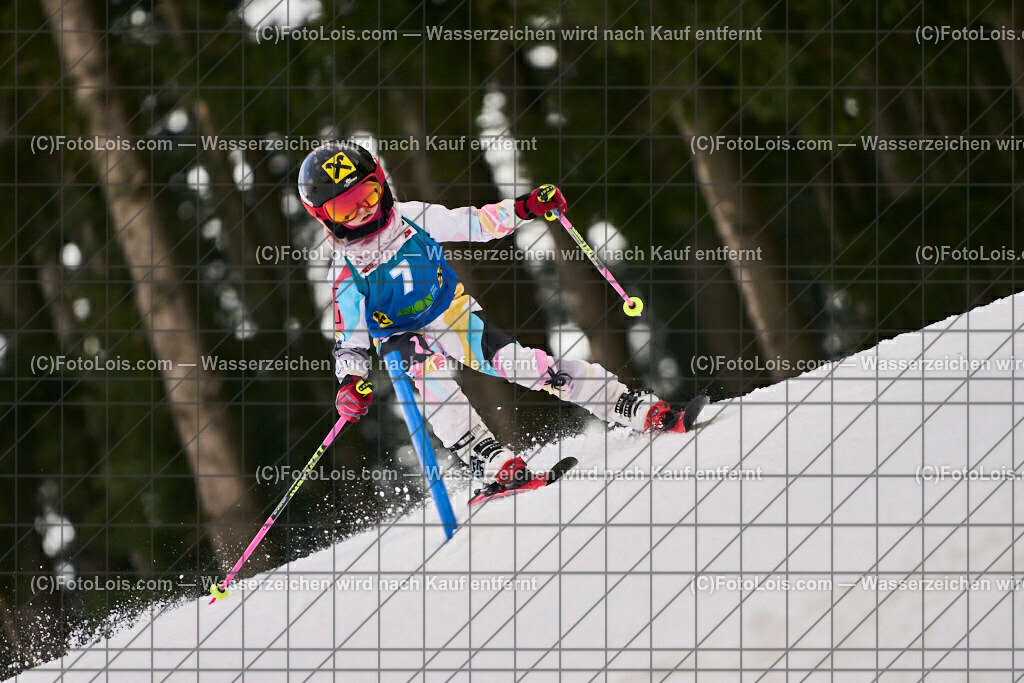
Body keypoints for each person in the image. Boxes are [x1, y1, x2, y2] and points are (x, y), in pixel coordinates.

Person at [299, 140, 699, 491]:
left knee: (521, 364)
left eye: (367, 194)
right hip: (401, 337)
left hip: (451, 312)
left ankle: (626, 403)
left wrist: (524, 208)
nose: (363, 211)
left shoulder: (412, 218)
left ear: (381, 184)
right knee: (437, 391)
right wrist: (350, 381)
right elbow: (350, 339)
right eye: (345, 207)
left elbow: (475, 223)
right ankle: (491, 462)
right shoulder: (345, 273)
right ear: (325, 216)